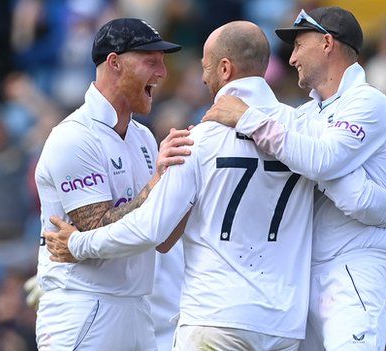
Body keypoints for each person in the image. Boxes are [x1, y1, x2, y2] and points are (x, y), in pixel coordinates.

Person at [45, 20, 385, 351]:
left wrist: (79, 244)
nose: (202, 77)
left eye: (205, 68)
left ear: (224, 69)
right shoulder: (303, 132)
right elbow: (352, 189)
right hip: (283, 326)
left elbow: (153, 231)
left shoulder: (197, 139)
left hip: (215, 318)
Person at [202, 7, 386, 350]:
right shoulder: (304, 115)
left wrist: (250, 120)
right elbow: (346, 187)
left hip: (353, 268)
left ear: (328, 43)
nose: (292, 59)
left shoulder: (369, 101)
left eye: (299, 45)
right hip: (301, 278)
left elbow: (323, 162)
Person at [34, 18, 190, 350]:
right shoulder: (73, 137)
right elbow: (94, 231)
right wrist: (158, 182)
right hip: (83, 307)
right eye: (151, 60)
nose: (162, 72)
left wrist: (188, 184)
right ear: (114, 63)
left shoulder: (144, 137)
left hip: (136, 308)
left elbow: (162, 239)